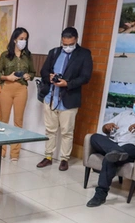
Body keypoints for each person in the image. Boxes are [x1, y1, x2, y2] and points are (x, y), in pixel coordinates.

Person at [86, 92, 135, 208]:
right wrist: (107, 128)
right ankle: (116, 151)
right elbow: (105, 129)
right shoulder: (125, 114)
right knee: (95, 137)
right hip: (115, 143)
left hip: (133, 148)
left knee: (110, 159)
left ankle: (100, 195)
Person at [36, 27, 93, 172]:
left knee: (67, 131)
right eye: (64, 44)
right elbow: (43, 71)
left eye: (70, 44)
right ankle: (48, 156)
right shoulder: (54, 52)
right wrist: (48, 76)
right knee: (50, 130)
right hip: (51, 97)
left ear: (76, 40)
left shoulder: (84, 54)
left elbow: (86, 77)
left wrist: (68, 83)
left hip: (69, 99)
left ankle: (64, 159)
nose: (67, 47)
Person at [0, 27, 34, 162]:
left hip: (21, 89)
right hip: (7, 88)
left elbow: (33, 72)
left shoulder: (28, 56)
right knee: (3, 121)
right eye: (21, 39)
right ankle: (1, 150)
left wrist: (29, 76)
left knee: (18, 122)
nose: (23, 41)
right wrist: (7, 78)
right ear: (15, 39)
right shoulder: (5, 55)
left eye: (25, 39)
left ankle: (15, 153)